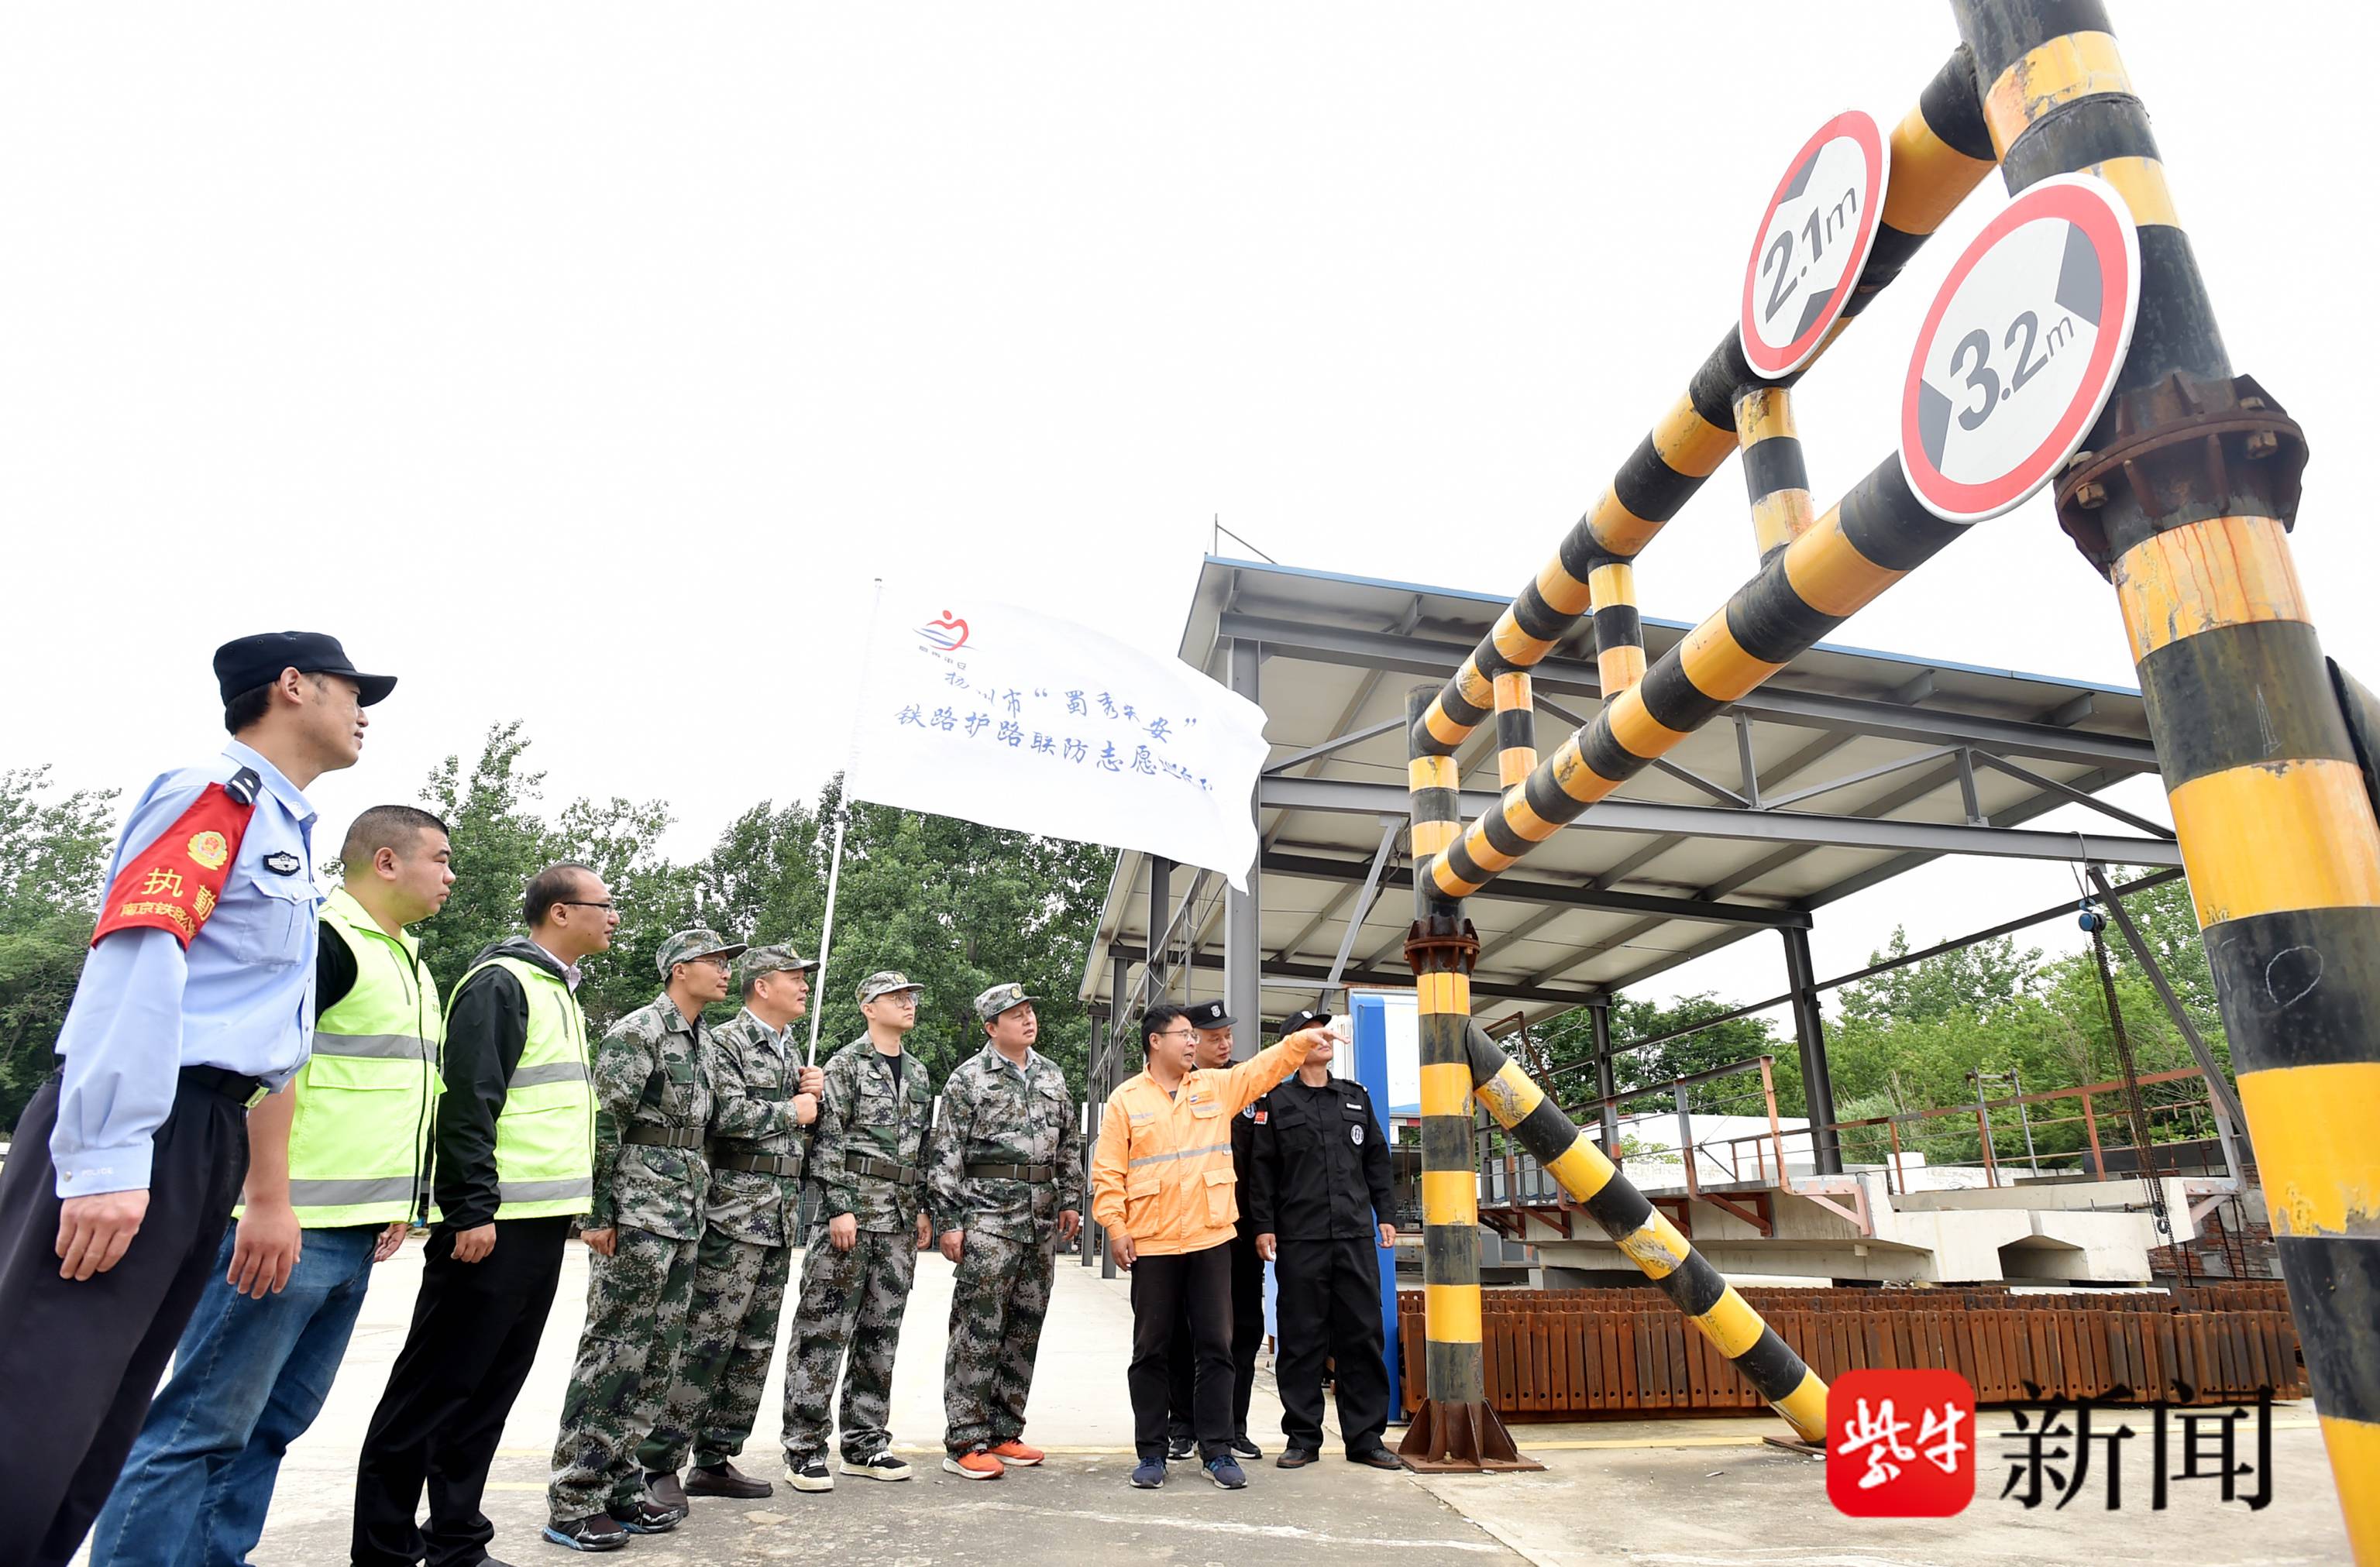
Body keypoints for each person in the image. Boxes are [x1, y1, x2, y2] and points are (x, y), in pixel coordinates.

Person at [0, 630, 392, 1567]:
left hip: (206, 1129)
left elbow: (270, 1039)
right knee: (37, 1405)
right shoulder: (214, 797)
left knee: (102, 1420)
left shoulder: (286, 829)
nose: (363, 712)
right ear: (292, 686)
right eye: (350, 690)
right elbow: (138, 960)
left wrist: (263, 1190)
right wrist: (106, 1158)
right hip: (143, 1123)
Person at [90, 804, 453, 1567]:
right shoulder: (324, 942)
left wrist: (397, 1203)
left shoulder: (408, 962)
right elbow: (262, 1071)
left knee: (271, 1425)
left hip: (351, 1233)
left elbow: (388, 1095)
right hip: (287, 1230)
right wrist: (267, 1200)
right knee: (199, 1426)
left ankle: (217, 1556)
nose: (451, 876)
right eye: (441, 859)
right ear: (386, 861)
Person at [351, 863, 614, 1567]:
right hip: (490, 1227)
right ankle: (382, 1549)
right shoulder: (502, 982)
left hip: (541, 1223)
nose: (614, 916)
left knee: (488, 1393)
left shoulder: (558, 990)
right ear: (560, 912)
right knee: (432, 1391)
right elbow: (467, 1103)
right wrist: (470, 1208)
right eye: (603, 903)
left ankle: (456, 1539)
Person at [544, 927, 745, 1551]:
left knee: (657, 1356)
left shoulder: (704, 1039)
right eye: (714, 960)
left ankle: (621, 1483)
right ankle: (574, 1497)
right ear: (679, 968)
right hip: (635, 1215)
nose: (725, 970)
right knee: (613, 1353)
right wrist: (596, 1213)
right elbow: (604, 1123)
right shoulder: (639, 1031)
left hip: (683, 1214)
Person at [1091, 1002, 1329, 1491]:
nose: (1193, 1042)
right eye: (1184, 1035)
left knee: (1217, 1347)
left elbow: (1263, 1069)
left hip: (1210, 1238)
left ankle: (1217, 1450)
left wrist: (1299, 1042)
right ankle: (1152, 1452)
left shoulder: (1216, 1087)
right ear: (1156, 1041)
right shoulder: (1125, 1100)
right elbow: (1108, 1171)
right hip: (1153, 1241)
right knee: (1151, 1350)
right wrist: (1115, 1226)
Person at [635, 944, 826, 1507]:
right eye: (794, 977)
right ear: (762, 985)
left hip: (778, 1216)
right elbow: (724, 1116)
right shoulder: (726, 1042)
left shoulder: (790, 1048)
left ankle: (716, 1457)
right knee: (705, 1340)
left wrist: (811, 1095)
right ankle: (659, 1462)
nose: (804, 986)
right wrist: (793, 1109)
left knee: (752, 1346)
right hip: (733, 1215)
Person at [780, 971, 937, 1493]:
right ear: (869, 1007)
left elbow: (922, 1146)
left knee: (880, 1334)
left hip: (897, 1220)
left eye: (910, 996)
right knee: (822, 1332)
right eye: (896, 997)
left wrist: (921, 1207)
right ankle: (804, 1448)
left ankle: (866, 1442)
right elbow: (828, 1140)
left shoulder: (918, 1073)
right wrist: (838, 1207)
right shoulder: (845, 1065)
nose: (908, 1003)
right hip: (852, 1215)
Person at [927, 982, 1085, 1480]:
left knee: (1024, 1327)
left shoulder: (1051, 1074)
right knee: (978, 1329)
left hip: (1041, 1219)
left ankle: (1004, 1429)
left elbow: (1069, 1143)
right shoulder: (968, 1079)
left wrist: (1072, 1199)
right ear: (991, 1027)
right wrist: (950, 1221)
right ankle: (965, 1439)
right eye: (1015, 1014)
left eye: (1029, 1010)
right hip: (988, 1219)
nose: (1028, 1019)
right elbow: (946, 1153)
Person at [1246, 1009, 1401, 1470]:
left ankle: (1366, 1439)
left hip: (1354, 1236)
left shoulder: (1355, 1098)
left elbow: (1377, 1160)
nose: (1324, 1038)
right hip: (1301, 1240)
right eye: (1312, 1033)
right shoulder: (1275, 1101)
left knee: (1362, 1337)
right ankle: (1302, 1438)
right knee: (1301, 1339)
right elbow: (1261, 1171)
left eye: (1327, 1031)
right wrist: (1263, 1225)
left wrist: (1386, 1214)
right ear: (1292, 1045)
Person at [1164, 998, 1264, 1462]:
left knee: (1241, 1329)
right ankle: (1182, 1425)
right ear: (1191, 1041)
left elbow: (1266, 1162)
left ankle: (1232, 1426)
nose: (1224, 1045)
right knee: (1184, 1329)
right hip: (1190, 1228)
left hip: (1240, 1231)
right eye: (1213, 1037)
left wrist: (1264, 1225)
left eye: (1228, 1036)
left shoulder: (1246, 1086)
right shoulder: (1172, 1087)